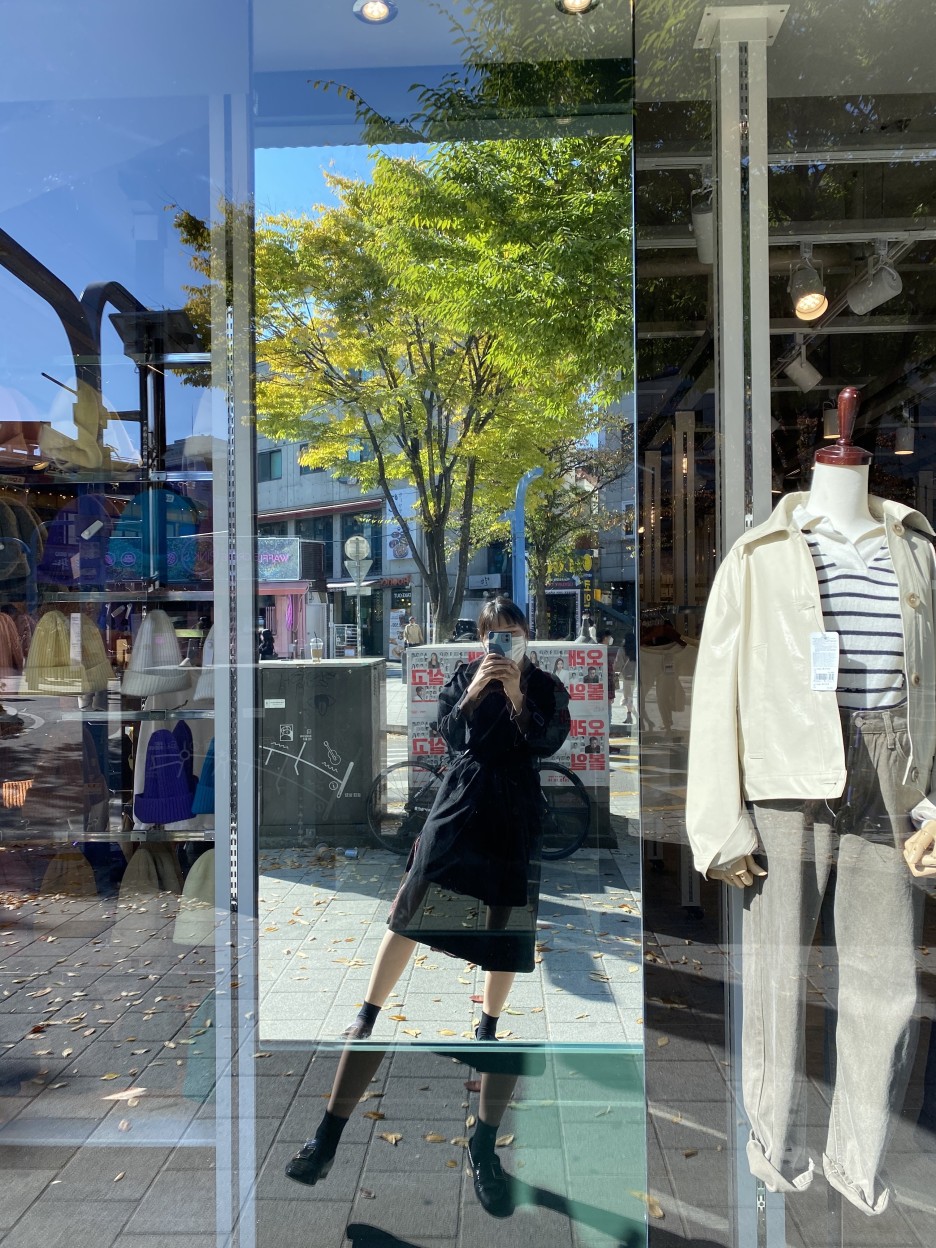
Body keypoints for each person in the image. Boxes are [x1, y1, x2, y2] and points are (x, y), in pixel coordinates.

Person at [286, 595, 570, 1201]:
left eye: (511, 633)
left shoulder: (545, 685)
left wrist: (517, 696)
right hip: (461, 804)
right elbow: (447, 736)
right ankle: (368, 1014)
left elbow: (547, 741)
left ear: (527, 634)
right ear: (481, 638)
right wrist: (474, 694)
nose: (501, 644)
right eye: (492, 634)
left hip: (514, 814)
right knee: (410, 908)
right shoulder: (466, 676)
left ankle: (488, 1029)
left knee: (505, 932)